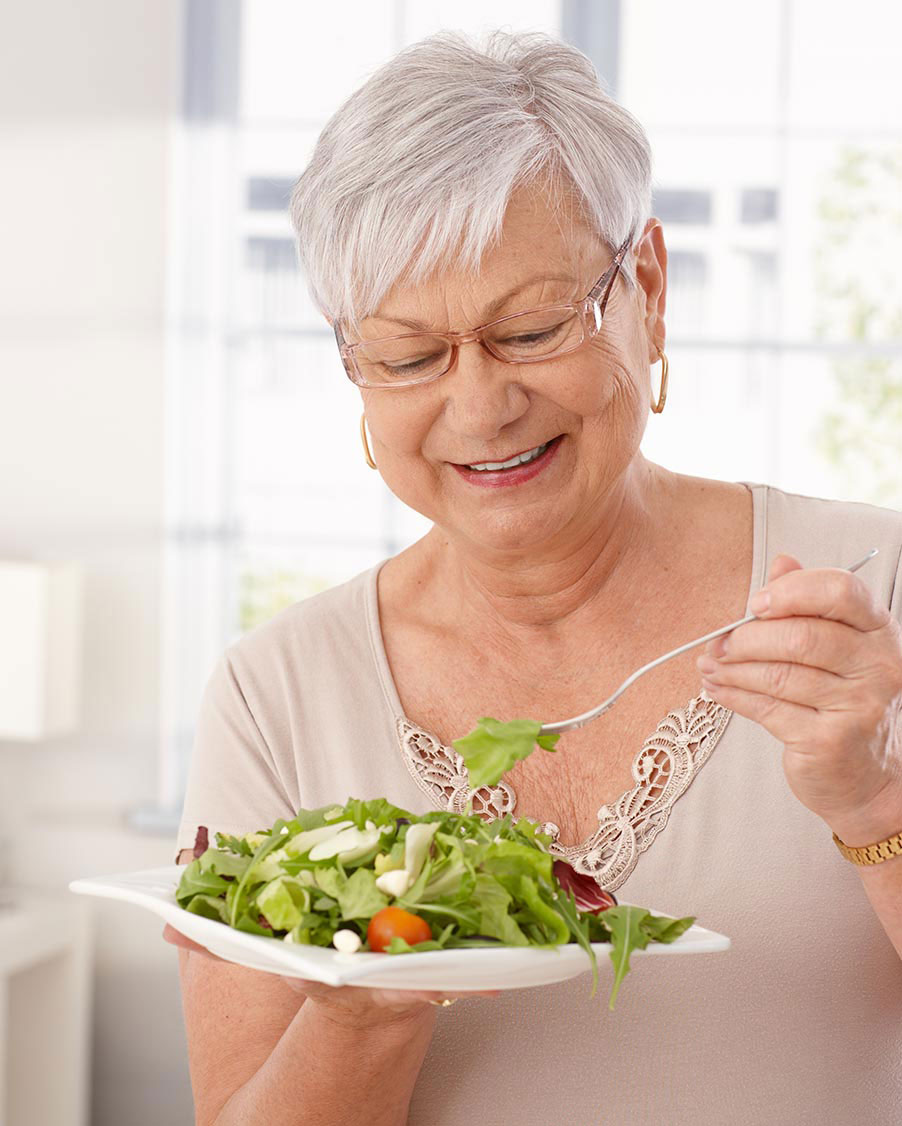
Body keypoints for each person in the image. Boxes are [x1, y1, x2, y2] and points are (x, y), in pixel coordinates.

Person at [165, 29, 902, 1126]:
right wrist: (365, 1007)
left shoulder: (872, 597)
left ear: (645, 285)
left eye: (531, 328)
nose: (480, 408)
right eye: (409, 356)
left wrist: (873, 802)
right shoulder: (275, 694)